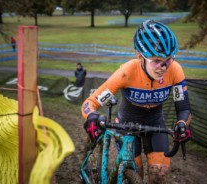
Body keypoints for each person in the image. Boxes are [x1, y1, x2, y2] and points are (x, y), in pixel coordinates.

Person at [81, 20, 192, 184]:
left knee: (159, 175)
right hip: (126, 124)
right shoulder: (126, 72)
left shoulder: (175, 70)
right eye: (156, 60)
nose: (163, 67)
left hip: (155, 123)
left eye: (168, 59)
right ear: (140, 56)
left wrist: (182, 124)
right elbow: (91, 102)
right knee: (135, 174)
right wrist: (92, 116)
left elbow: (183, 107)